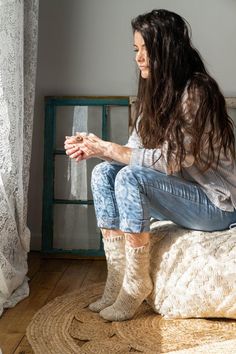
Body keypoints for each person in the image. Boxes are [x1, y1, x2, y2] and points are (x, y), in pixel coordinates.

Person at [64, 9, 236, 322]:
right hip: (181, 195)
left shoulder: (196, 91)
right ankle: (117, 277)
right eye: (136, 50)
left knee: (130, 177)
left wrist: (109, 148)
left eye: (146, 50)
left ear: (167, 50)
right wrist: (95, 148)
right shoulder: (155, 91)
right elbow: (133, 152)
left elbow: (171, 161)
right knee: (104, 172)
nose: (139, 58)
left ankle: (135, 284)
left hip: (217, 204)